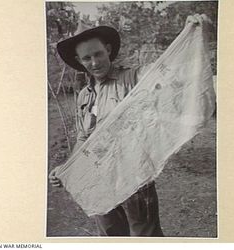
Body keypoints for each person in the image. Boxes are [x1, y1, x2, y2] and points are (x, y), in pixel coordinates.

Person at [49, 15, 207, 237]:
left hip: (134, 175)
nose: (94, 62)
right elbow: (84, 140)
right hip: (98, 179)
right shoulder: (84, 96)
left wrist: (191, 31)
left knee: (145, 235)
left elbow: (168, 70)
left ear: (108, 49)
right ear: (79, 61)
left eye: (98, 54)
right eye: (87, 58)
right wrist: (66, 169)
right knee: (111, 235)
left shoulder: (132, 78)